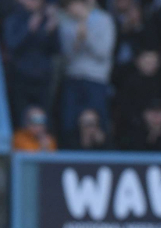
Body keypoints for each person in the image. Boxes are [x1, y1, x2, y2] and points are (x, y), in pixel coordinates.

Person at [57, 0, 116, 147]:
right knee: (69, 123)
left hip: (96, 80)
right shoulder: (66, 24)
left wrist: (87, 37)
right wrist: (77, 41)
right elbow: (66, 56)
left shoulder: (104, 20)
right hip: (73, 78)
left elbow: (104, 52)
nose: (69, 9)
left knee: (98, 125)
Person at [2, 0, 60, 123]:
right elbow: (12, 44)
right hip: (20, 77)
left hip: (42, 77)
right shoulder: (14, 18)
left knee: (44, 115)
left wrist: (51, 31)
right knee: (23, 117)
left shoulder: (46, 20)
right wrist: (29, 29)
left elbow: (56, 49)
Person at [112, 47, 161, 140]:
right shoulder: (129, 82)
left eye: (152, 62)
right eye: (146, 62)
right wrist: (143, 119)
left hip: (159, 122)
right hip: (134, 123)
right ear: (138, 62)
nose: (149, 65)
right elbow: (124, 106)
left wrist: (158, 118)